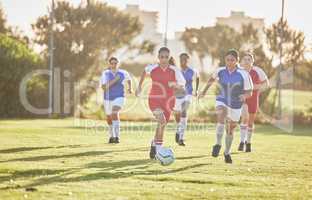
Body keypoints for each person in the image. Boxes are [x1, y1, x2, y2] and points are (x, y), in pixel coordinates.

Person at [199, 49, 253, 163]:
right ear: (225, 60)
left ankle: (227, 152)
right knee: (221, 115)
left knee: (230, 129)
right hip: (222, 99)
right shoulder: (220, 71)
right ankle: (218, 144)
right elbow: (211, 80)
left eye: (232, 60)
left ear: (237, 60)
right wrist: (203, 91)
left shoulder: (244, 74)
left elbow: (250, 91)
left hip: (236, 104)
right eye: (228, 60)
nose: (229, 62)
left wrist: (244, 96)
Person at [135, 47, 185, 159]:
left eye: (166, 57)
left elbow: (182, 84)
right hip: (154, 99)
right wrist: (139, 87)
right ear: (158, 57)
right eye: (162, 57)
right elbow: (144, 71)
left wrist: (174, 84)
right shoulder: (152, 68)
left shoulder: (174, 70)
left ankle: (154, 143)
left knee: (161, 125)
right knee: (161, 121)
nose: (164, 59)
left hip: (168, 102)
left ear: (169, 57)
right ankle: (159, 153)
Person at [238, 52, 269, 152]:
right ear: (241, 61)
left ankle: (248, 143)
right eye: (244, 59)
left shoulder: (258, 71)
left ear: (252, 61)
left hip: (254, 98)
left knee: (250, 122)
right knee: (244, 118)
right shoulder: (239, 71)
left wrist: (255, 87)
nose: (246, 61)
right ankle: (242, 142)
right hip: (243, 98)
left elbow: (266, 84)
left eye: (249, 59)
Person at [100, 57, 132, 144]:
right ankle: (111, 136)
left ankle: (117, 137)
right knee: (109, 117)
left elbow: (129, 79)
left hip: (120, 97)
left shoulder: (123, 73)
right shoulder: (105, 74)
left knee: (115, 112)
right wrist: (114, 80)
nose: (114, 65)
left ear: (118, 64)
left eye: (115, 63)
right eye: (112, 63)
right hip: (107, 98)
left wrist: (129, 88)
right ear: (109, 64)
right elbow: (103, 87)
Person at [173, 53, 199, 146]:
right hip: (178, 95)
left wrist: (196, 90)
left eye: (185, 59)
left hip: (188, 94)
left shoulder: (193, 71)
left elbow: (198, 78)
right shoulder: (177, 71)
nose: (183, 61)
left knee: (184, 111)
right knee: (177, 114)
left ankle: (181, 138)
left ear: (188, 60)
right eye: (181, 59)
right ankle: (178, 129)